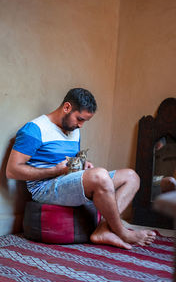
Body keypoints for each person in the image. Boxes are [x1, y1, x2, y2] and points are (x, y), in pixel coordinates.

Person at [6, 88, 156, 249]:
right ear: (67, 107)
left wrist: (85, 164)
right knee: (100, 175)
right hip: (44, 188)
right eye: (79, 119)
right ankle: (123, 232)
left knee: (132, 177)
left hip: (67, 180)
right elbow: (12, 171)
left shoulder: (74, 130)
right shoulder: (34, 129)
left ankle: (103, 229)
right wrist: (54, 171)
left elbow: (72, 160)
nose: (81, 125)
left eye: (84, 121)